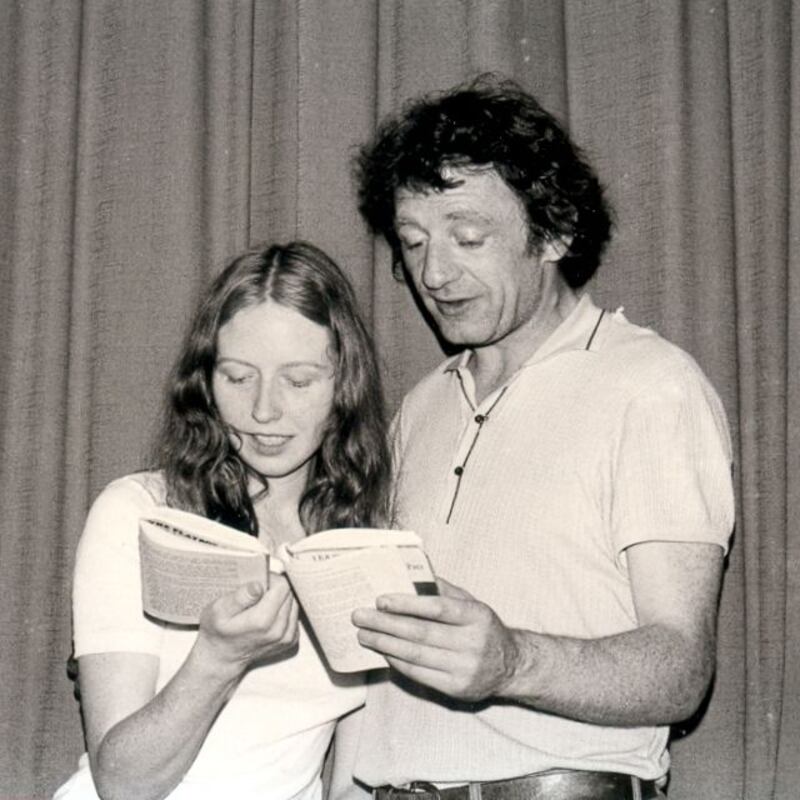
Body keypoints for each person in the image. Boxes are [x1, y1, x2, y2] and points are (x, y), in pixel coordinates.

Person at [330, 75, 735, 800]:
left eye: (468, 236)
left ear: (553, 230)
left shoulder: (652, 386)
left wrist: (512, 662)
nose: (433, 271)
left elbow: (680, 666)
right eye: (414, 241)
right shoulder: (419, 410)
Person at [54, 241, 391, 800]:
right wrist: (218, 660)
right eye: (238, 378)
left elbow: (352, 778)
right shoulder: (140, 513)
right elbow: (121, 783)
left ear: (344, 389)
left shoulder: (367, 543)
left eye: (299, 381)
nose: (264, 411)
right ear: (205, 384)